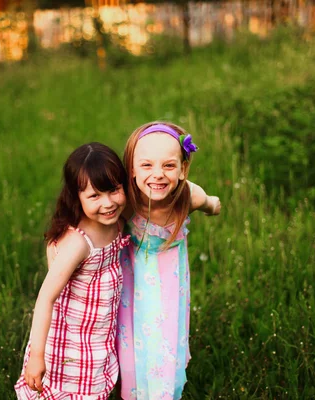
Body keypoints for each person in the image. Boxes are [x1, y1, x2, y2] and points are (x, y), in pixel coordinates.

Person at [15, 142, 130, 400]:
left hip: (97, 338)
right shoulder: (78, 243)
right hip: (69, 344)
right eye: (95, 196)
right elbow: (46, 298)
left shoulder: (119, 222)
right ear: (76, 197)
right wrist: (36, 357)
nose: (108, 203)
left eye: (114, 190)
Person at [116, 122, 221, 399]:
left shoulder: (188, 196)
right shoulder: (128, 202)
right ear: (133, 170)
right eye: (147, 165)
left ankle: (163, 390)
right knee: (135, 341)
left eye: (169, 166)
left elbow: (213, 203)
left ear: (183, 170)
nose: (158, 175)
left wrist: (212, 205)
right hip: (135, 283)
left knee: (165, 337)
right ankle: (135, 390)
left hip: (171, 282)